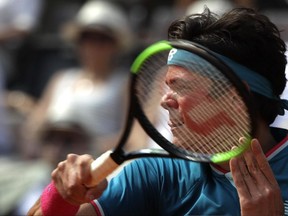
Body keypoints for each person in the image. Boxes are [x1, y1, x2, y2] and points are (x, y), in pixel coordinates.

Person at [28, 7, 288, 216]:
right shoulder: (156, 171)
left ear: (235, 96)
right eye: (165, 87)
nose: (164, 101)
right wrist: (63, 198)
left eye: (180, 87)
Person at [21, 0, 133, 159]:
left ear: (116, 44)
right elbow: (35, 125)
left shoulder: (124, 83)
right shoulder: (60, 79)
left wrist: (88, 147)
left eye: (102, 38)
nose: (93, 45)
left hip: (95, 167)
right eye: (86, 37)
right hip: (49, 165)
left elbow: (131, 136)